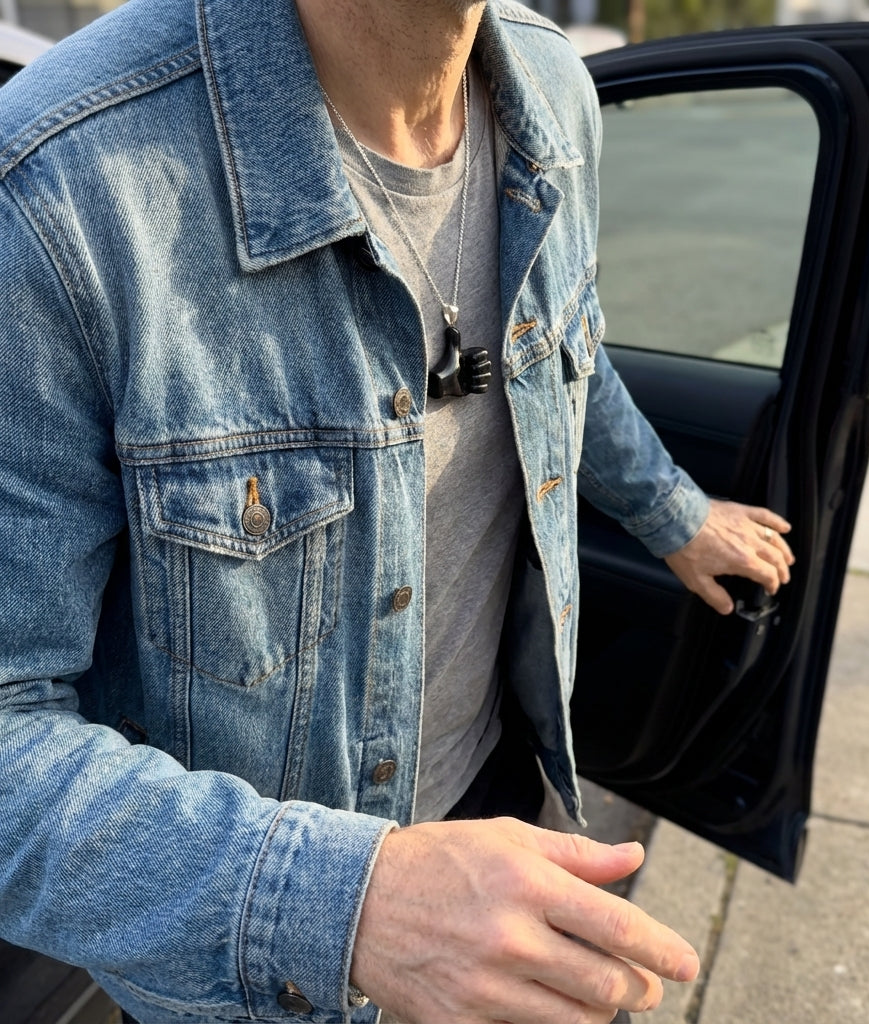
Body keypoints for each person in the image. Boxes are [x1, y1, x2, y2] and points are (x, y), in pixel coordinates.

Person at [0, 0, 794, 1021]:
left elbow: (563, 347)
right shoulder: (59, 183)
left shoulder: (552, 90)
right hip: (258, 963)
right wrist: (349, 904)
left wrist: (674, 514)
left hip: (505, 781)